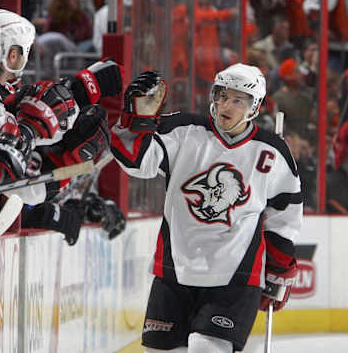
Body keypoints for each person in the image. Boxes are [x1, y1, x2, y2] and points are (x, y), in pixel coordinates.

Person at [111, 64, 303, 352]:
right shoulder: (184, 130)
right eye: (223, 95)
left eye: (238, 100)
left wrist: (279, 269)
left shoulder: (272, 151)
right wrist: (135, 120)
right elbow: (139, 162)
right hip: (174, 270)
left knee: (207, 348)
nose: (226, 105)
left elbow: (284, 216)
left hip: (235, 277)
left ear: (255, 107)